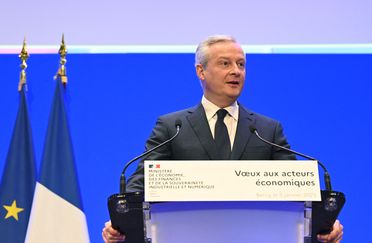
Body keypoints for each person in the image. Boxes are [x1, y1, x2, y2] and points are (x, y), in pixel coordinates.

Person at [102, 35, 343, 243]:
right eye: (225, 63)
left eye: (241, 64)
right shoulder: (172, 127)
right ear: (201, 71)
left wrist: (326, 222)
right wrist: (120, 221)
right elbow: (141, 181)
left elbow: (298, 188)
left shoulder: (267, 130)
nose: (236, 71)